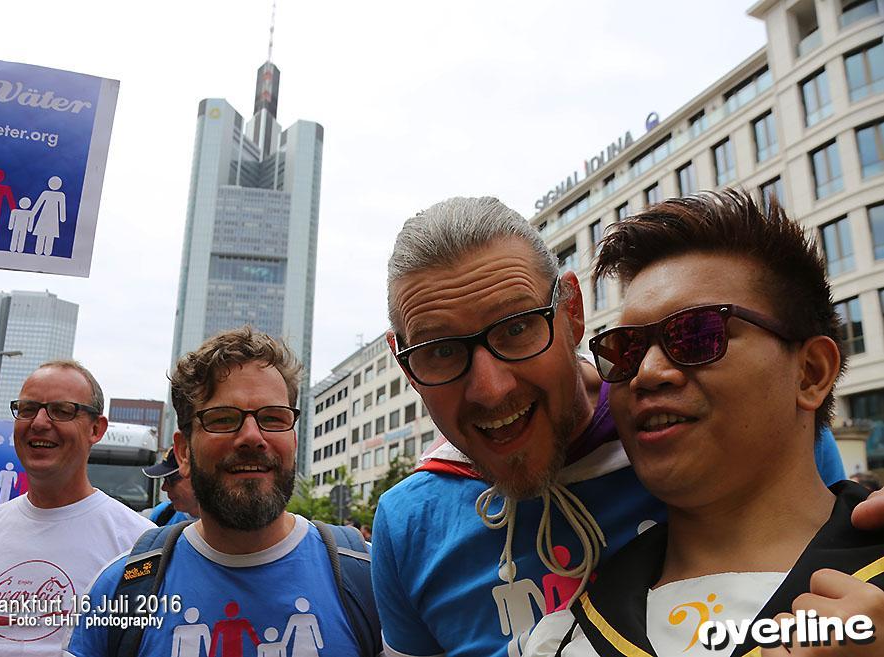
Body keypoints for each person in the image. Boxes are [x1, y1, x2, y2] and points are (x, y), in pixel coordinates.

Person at [370, 196, 864, 657]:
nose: (491, 389)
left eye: (517, 327)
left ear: (572, 314)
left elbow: (825, 526)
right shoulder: (408, 523)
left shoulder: (706, 438)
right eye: (439, 350)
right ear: (403, 363)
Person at [526, 190, 884, 655]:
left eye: (696, 335)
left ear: (811, 372)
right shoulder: (564, 639)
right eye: (625, 350)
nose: (648, 374)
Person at [64, 326, 379, 657]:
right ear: (183, 452)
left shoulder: (371, 578)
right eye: (223, 419)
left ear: (294, 441)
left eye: (273, 418)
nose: (252, 437)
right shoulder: (117, 590)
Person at [0, 360, 155, 657]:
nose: (39, 423)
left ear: (96, 428)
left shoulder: (140, 544)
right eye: (27, 409)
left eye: (61, 410)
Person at [144, 447, 200, 525]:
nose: (164, 488)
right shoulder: (163, 513)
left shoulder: (221, 523)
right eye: (164, 479)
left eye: (171, 479)